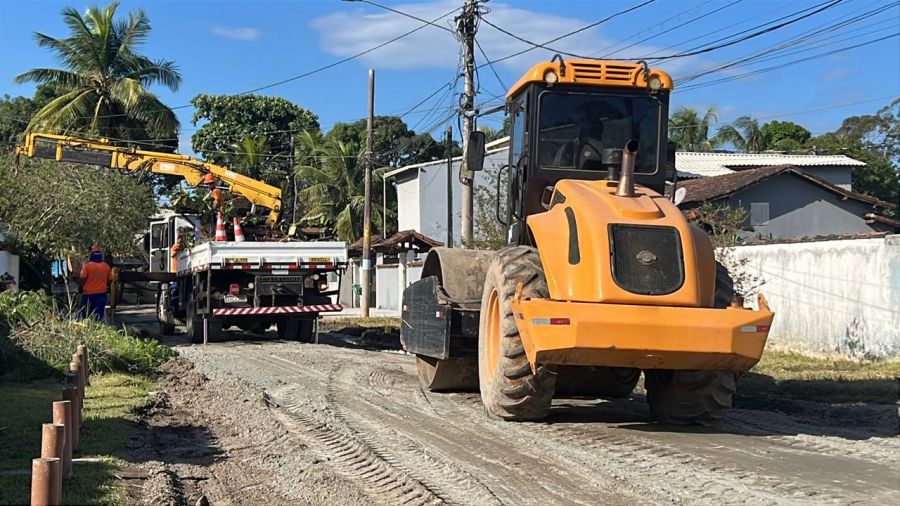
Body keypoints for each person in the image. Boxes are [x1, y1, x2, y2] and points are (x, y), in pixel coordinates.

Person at [80, 243, 112, 321]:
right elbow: (110, 279)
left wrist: (80, 288)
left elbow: (82, 278)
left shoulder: (87, 266)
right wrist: (107, 287)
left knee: (86, 315)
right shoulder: (105, 266)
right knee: (98, 316)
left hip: (88, 294)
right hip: (101, 293)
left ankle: (88, 327)